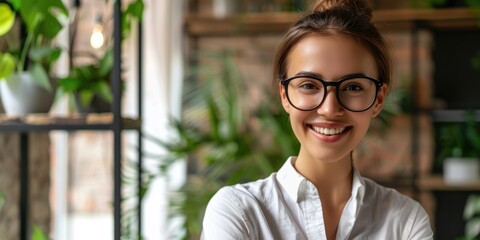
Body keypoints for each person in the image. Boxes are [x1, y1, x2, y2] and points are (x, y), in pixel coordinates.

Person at [201, 0, 434, 239]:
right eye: (309, 85)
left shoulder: (406, 221)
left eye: (353, 87)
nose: (329, 108)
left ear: (378, 99)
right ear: (284, 95)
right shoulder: (238, 212)